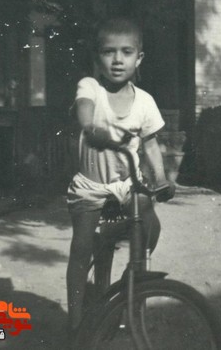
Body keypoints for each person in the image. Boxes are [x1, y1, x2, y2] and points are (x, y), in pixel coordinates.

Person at [66, 17, 173, 333]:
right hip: (91, 184)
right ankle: (76, 322)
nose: (117, 60)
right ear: (97, 57)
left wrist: (161, 178)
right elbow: (83, 106)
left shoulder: (145, 101)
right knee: (81, 249)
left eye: (126, 52)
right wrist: (90, 127)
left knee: (151, 225)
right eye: (108, 52)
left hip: (127, 183)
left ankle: (129, 284)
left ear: (139, 58)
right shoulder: (91, 87)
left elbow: (150, 144)